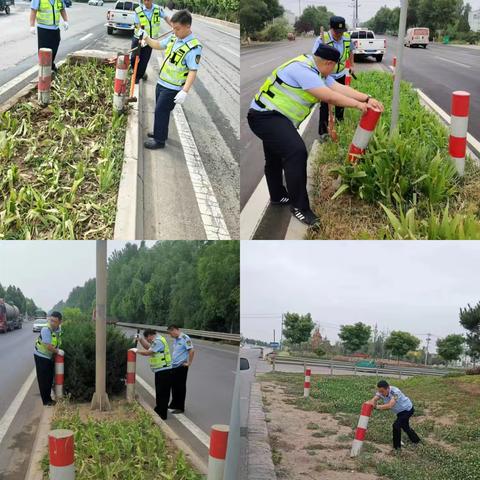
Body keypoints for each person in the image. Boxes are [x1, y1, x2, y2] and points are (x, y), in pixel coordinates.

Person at [248, 44, 384, 226]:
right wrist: (359, 106)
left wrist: (367, 98)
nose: (333, 72)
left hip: (272, 115)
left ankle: (278, 195)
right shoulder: (303, 70)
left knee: (275, 157)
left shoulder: (314, 69)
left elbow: (338, 88)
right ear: (328, 63)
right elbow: (329, 96)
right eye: (334, 67)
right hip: (265, 116)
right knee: (296, 152)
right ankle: (299, 207)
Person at [139, 9, 202, 150]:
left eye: (177, 29)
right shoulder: (174, 38)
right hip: (162, 82)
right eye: (173, 28)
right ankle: (160, 132)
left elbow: (193, 71)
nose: (174, 31)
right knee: (162, 111)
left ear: (188, 27)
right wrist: (147, 38)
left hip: (173, 87)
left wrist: (185, 91)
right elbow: (158, 45)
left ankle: (159, 141)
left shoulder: (193, 47)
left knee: (161, 110)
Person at [313, 16, 354, 138]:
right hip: (327, 76)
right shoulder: (322, 39)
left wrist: (352, 65)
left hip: (340, 74)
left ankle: (340, 124)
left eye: (341, 32)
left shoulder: (346, 37)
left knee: (340, 100)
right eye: (337, 32)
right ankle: (324, 132)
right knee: (325, 104)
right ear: (331, 28)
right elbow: (315, 57)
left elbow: (351, 51)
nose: (339, 34)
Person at [367, 380, 421, 451]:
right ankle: (416, 440)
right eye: (379, 391)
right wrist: (372, 402)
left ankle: (397, 447)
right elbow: (375, 398)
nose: (381, 393)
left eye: (382, 391)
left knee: (396, 425)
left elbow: (390, 405)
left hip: (407, 410)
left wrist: (376, 407)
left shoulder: (396, 393)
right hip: (400, 412)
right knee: (405, 426)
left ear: (388, 388)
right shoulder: (381, 391)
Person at [130, 0, 171, 83]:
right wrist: (142, 37)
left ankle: (137, 77)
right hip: (138, 38)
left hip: (151, 40)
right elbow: (137, 25)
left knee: (144, 60)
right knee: (134, 57)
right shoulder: (138, 10)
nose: (146, 2)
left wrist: (174, 26)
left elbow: (166, 17)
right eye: (145, 0)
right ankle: (134, 70)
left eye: (148, 0)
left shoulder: (157, 9)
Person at [136, 329, 172, 419]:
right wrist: (140, 339)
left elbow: (148, 352)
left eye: (147, 339)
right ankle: (158, 410)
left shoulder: (158, 341)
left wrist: (136, 351)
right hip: (160, 371)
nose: (148, 341)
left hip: (165, 371)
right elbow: (148, 347)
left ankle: (162, 414)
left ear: (150, 335)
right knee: (160, 392)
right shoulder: (156, 341)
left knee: (163, 393)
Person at [30, 0, 69, 73]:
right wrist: (32, 25)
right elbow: (33, 10)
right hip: (43, 28)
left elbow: (62, 9)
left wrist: (65, 20)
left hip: (55, 28)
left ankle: (50, 64)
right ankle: (44, 73)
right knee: (44, 51)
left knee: (54, 48)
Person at [33, 311, 63, 406]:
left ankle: (49, 399)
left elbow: (56, 341)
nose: (52, 323)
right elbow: (48, 346)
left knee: (49, 378)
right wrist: (58, 351)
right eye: (51, 320)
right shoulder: (46, 329)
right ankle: (46, 401)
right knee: (43, 379)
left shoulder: (58, 329)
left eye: (55, 321)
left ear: (60, 322)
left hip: (49, 356)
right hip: (41, 355)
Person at [167, 324, 194, 414]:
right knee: (174, 386)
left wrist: (189, 363)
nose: (170, 335)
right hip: (174, 366)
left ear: (174, 330)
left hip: (181, 367)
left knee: (180, 387)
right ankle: (174, 404)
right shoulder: (176, 339)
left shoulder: (185, 338)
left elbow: (191, 350)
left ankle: (180, 407)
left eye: (170, 333)